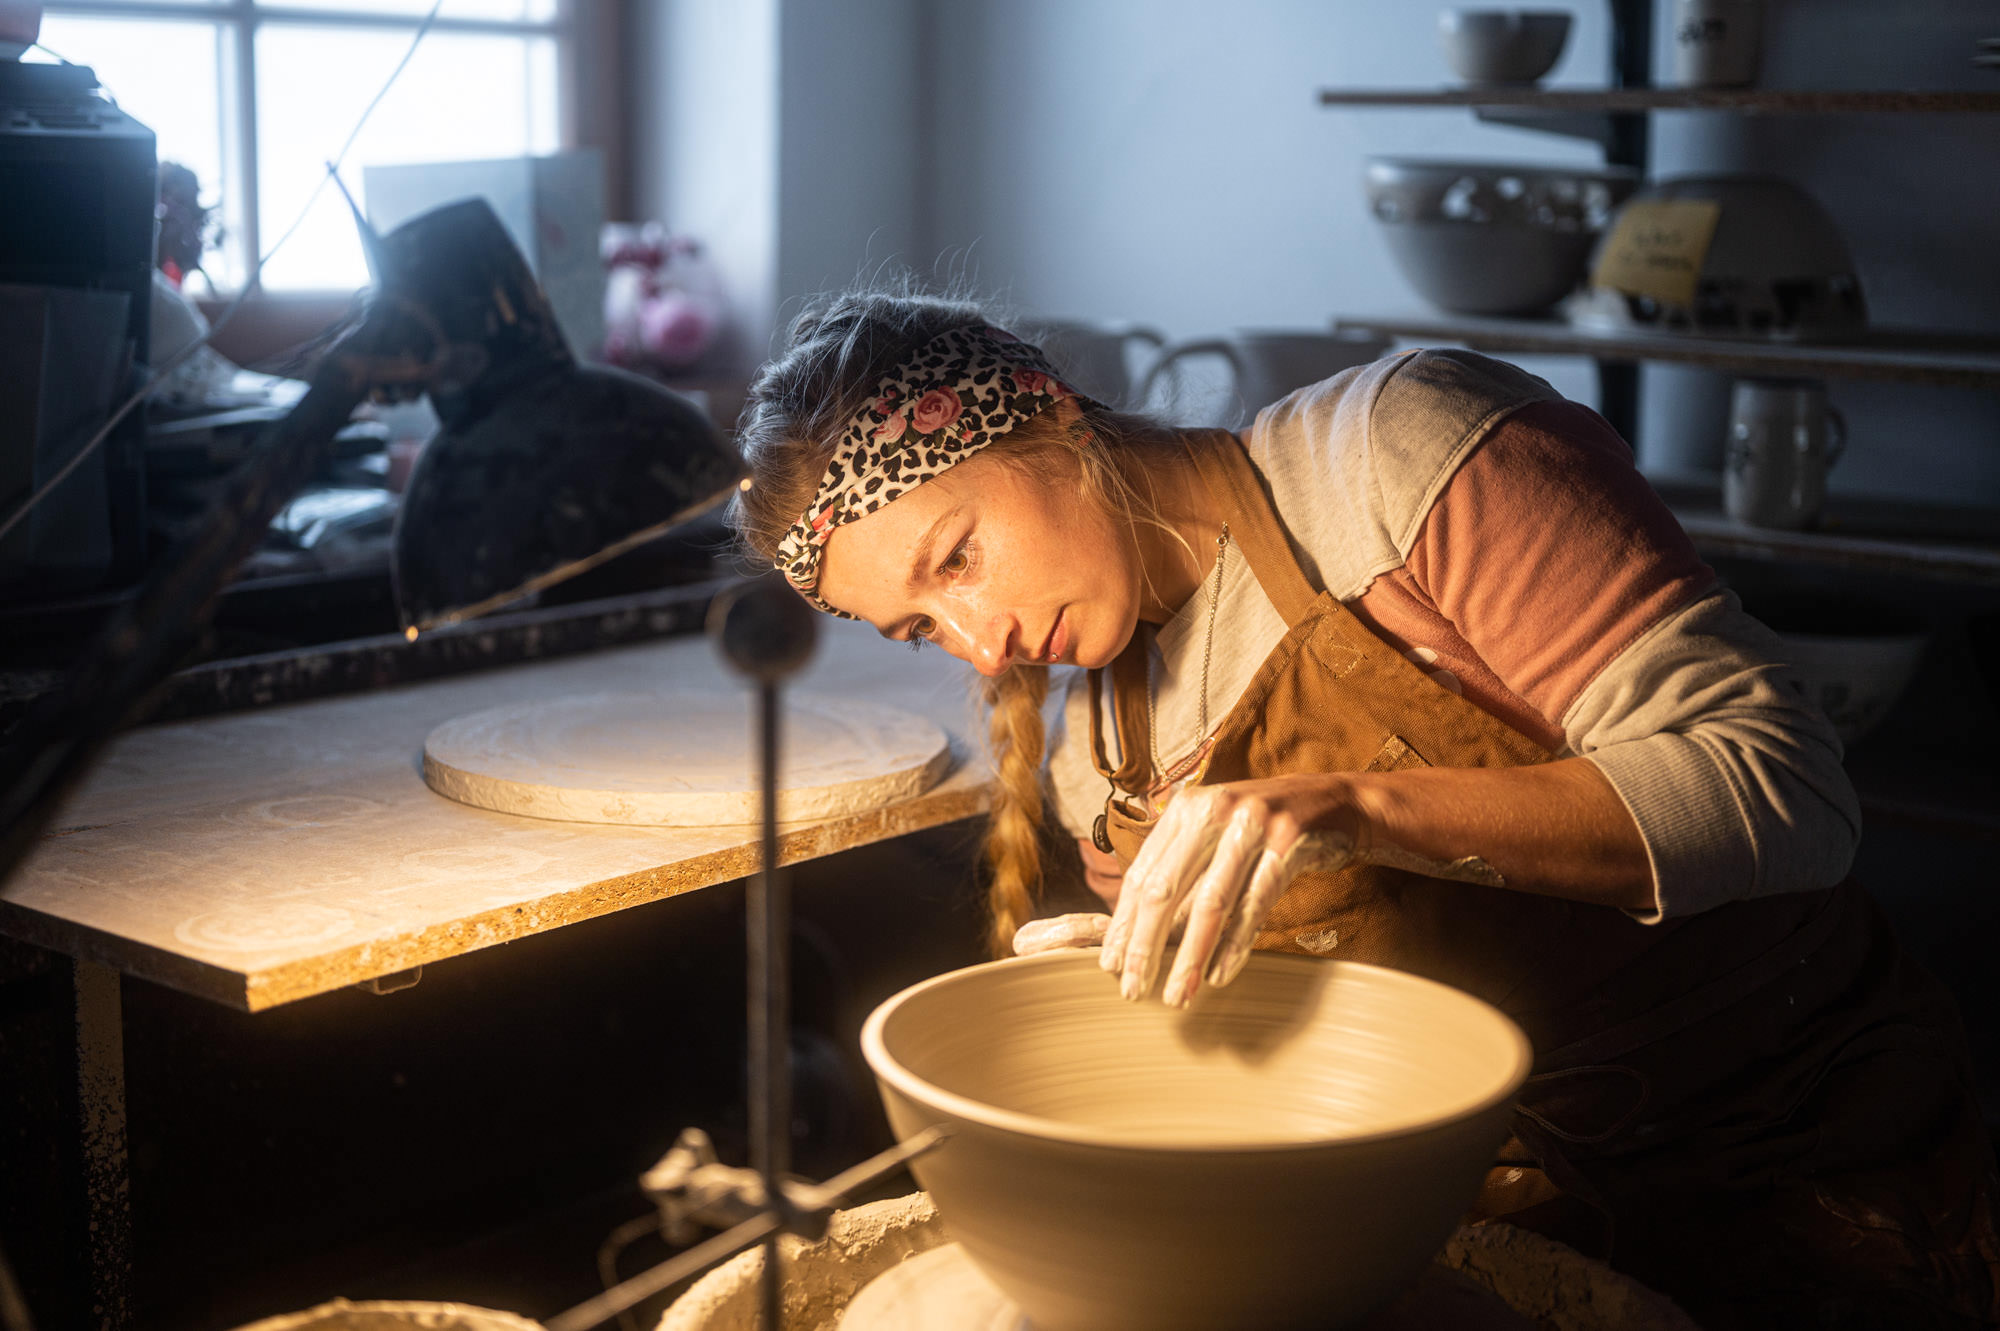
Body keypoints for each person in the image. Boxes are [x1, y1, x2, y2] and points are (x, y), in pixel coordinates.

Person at [730, 286, 2000, 1329]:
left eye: (956, 557)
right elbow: (1328, 1048)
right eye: (920, 627)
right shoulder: (1096, 764)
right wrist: (1163, 972)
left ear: (1050, 413)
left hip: (1790, 1149)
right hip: (1483, 1209)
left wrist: (1354, 803)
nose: (981, 641)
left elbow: (1788, 786)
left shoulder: (1391, 458)